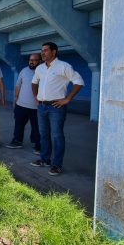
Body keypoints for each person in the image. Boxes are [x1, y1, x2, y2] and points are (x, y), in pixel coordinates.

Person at [30, 42, 84, 175]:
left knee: (57, 136)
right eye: (42, 50)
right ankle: (44, 159)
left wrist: (67, 99)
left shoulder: (64, 66)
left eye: (46, 51)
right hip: (42, 106)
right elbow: (34, 82)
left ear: (54, 52)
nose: (42, 53)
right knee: (44, 135)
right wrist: (36, 97)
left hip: (56, 107)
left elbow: (79, 81)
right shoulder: (40, 68)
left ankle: (56, 165)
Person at [6, 53, 41, 152]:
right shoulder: (24, 70)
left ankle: (37, 144)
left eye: (34, 60)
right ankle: (17, 141)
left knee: (37, 127)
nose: (31, 61)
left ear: (40, 61)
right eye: (30, 59)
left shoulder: (42, 71)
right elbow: (18, 85)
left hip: (36, 107)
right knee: (19, 124)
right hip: (21, 105)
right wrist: (16, 99)